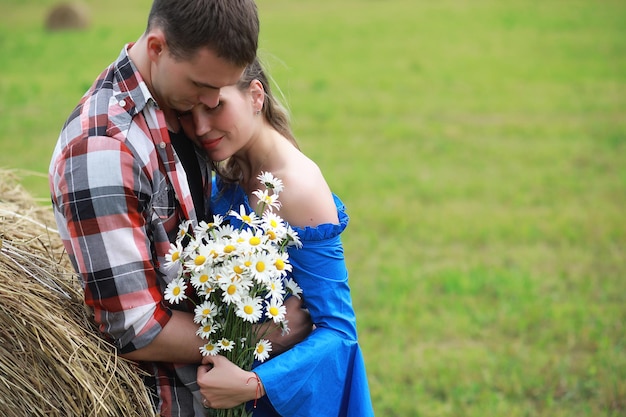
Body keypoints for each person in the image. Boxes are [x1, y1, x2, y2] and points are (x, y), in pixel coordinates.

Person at [48, 2, 312, 416]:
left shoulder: (178, 104)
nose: (210, 100)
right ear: (156, 47)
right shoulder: (104, 150)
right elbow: (135, 330)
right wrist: (264, 335)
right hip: (167, 403)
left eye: (222, 88)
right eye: (202, 85)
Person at [180, 58, 375, 416]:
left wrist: (254, 384)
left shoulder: (297, 187)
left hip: (279, 398)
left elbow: (339, 330)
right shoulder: (232, 169)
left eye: (215, 107)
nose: (201, 127)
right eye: (190, 114)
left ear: (256, 96)